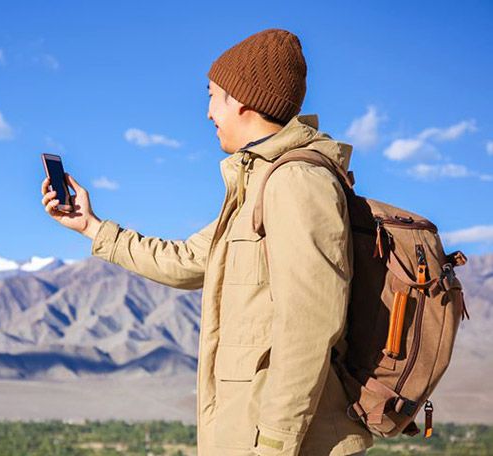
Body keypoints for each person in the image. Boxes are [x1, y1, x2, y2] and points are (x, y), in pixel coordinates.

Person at [40, 28, 373, 456]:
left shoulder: (296, 182)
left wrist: (274, 444)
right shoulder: (257, 186)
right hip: (246, 436)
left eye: (212, 95)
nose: (208, 111)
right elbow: (184, 260)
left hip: (284, 445)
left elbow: (309, 324)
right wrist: (91, 226)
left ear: (242, 100)